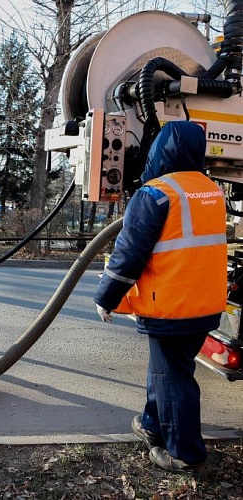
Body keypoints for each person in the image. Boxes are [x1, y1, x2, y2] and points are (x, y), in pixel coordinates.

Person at [94, 121, 227, 478]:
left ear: (159, 151)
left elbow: (128, 254)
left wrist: (106, 297)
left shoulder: (155, 194)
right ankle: (152, 424)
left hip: (170, 306)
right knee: (169, 370)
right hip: (205, 305)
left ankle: (186, 456)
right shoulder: (211, 190)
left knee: (173, 378)